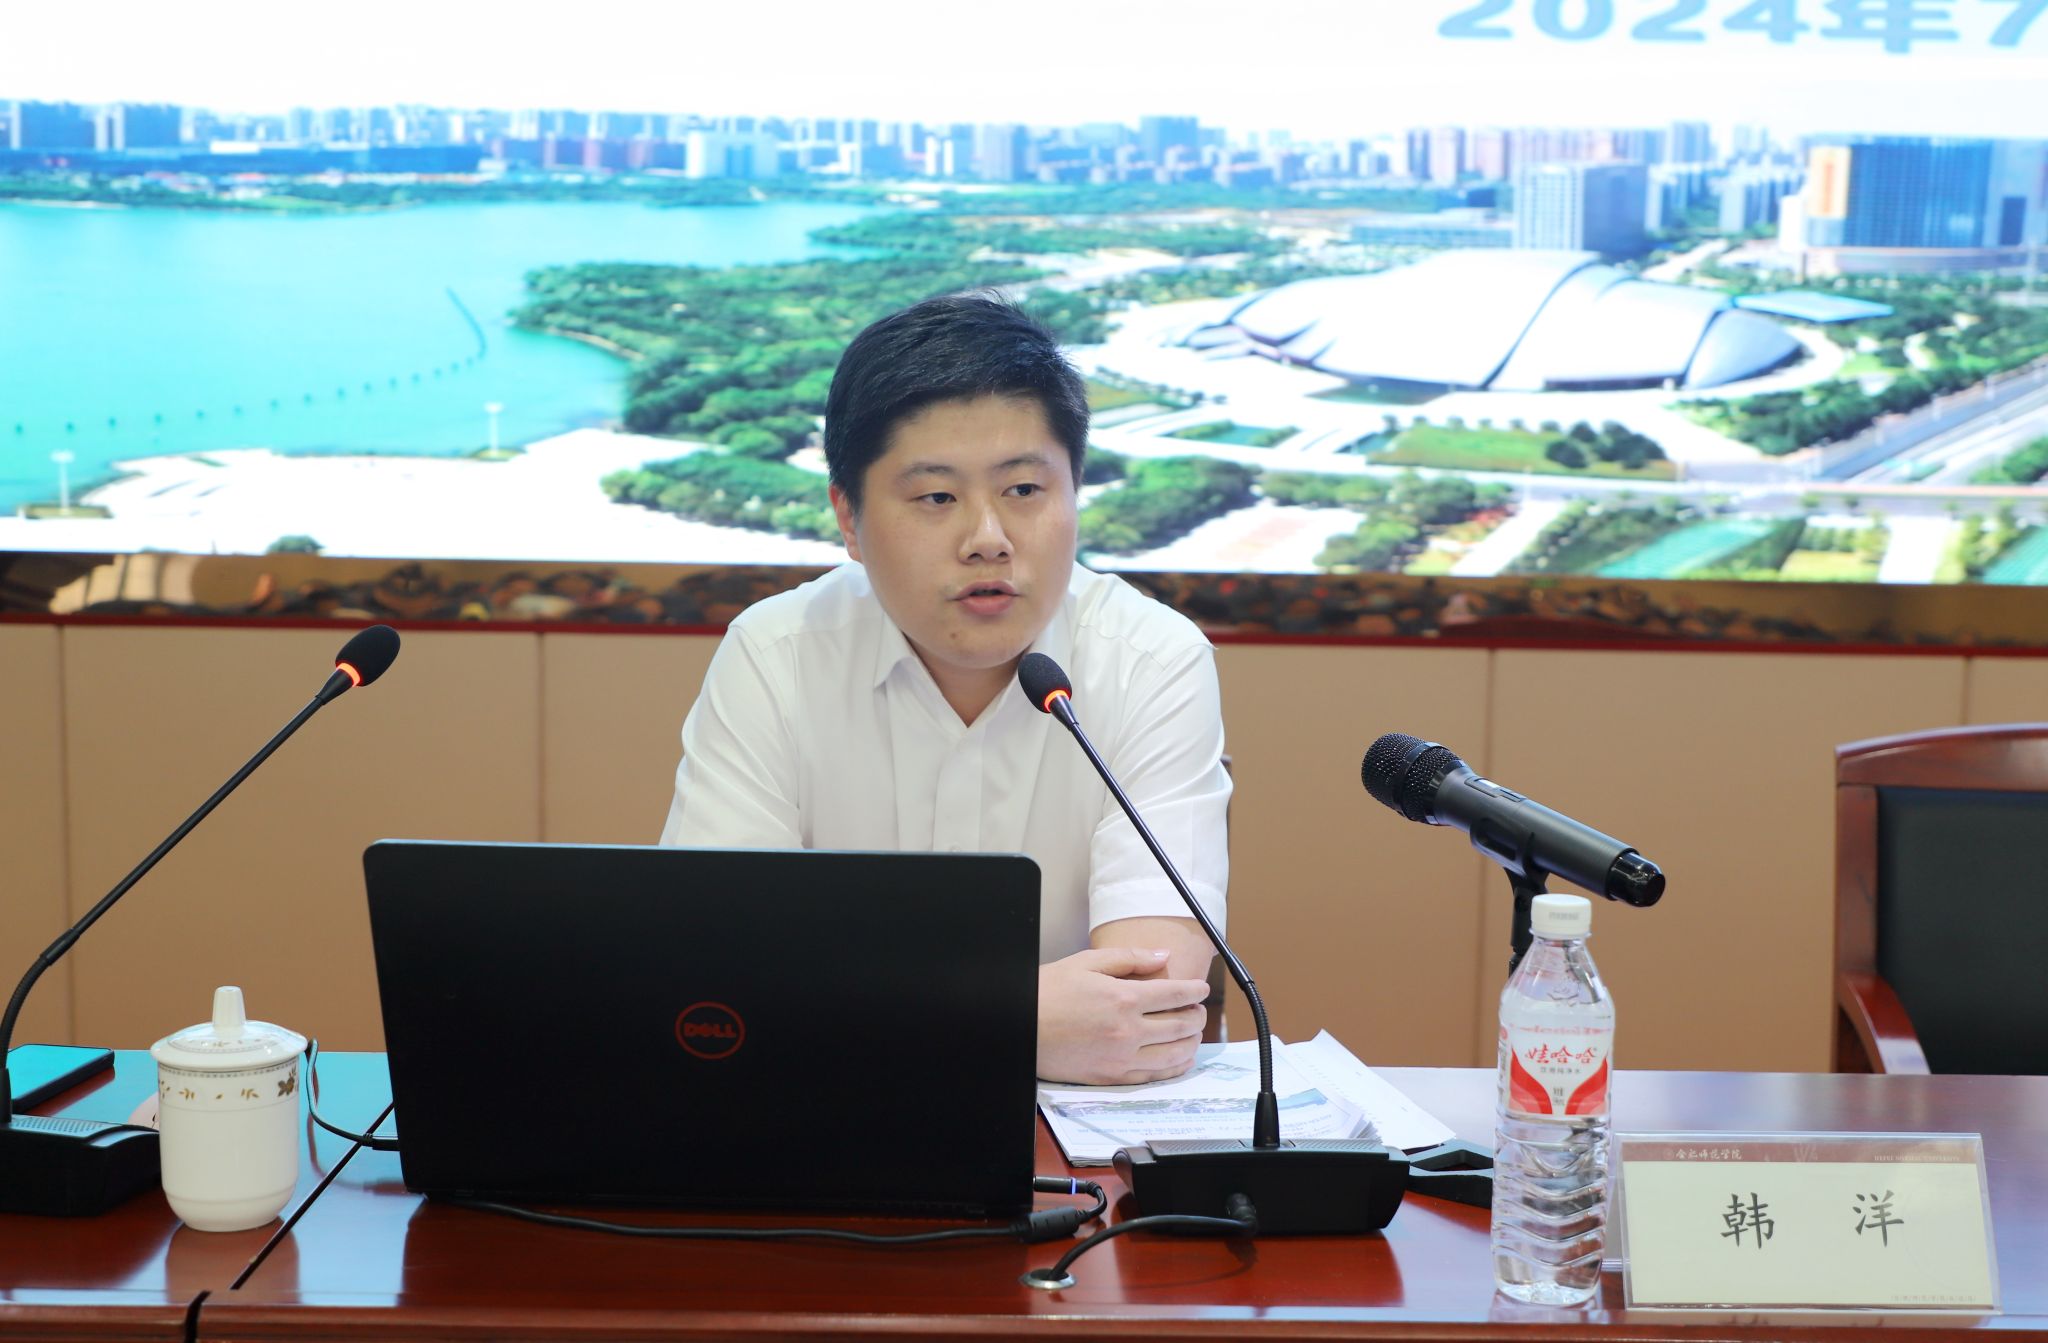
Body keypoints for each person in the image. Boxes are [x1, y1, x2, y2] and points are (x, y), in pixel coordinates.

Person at [660, 293, 1229, 1085]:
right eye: (937, 497)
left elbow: (1151, 1000)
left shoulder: (1152, 659)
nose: (987, 539)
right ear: (849, 519)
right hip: (826, 1120)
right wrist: (1012, 1022)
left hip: (1072, 1139)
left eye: (1023, 490)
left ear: (1075, 491)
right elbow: (715, 975)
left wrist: (849, 1012)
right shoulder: (776, 654)